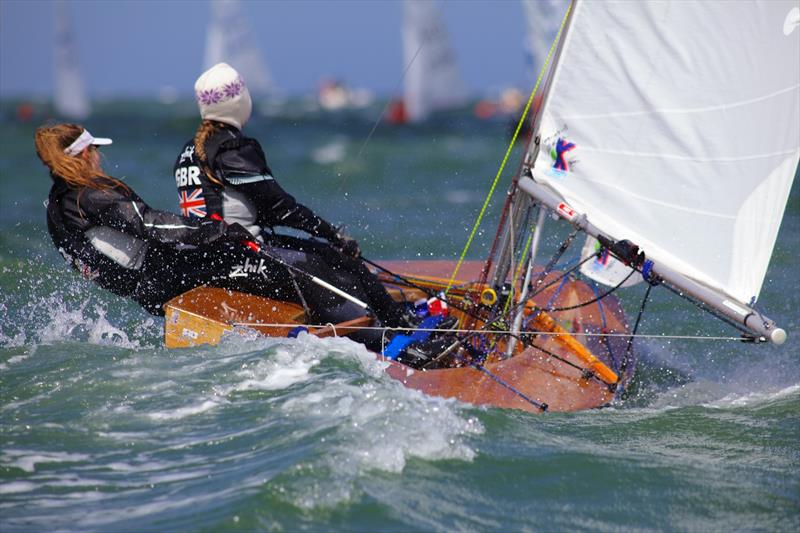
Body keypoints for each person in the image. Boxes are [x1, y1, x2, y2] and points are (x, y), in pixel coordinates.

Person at [36, 123, 407, 349]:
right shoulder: (90, 195)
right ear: (82, 154)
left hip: (150, 286)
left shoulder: (57, 206)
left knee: (278, 263)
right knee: (292, 264)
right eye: (94, 149)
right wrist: (217, 231)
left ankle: (357, 323)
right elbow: (151, 224)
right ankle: (381, 338)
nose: (99, 156)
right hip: (169, 277)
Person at [172, 63, 413, 333]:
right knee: (344, 266)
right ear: (240, 101)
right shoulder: (232, 147)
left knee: (330, 257)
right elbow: (280, 210)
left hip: (208, 261)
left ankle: (396, 324)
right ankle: (398, 336)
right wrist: (332, 235)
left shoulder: (188, 151)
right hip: (241, 259)